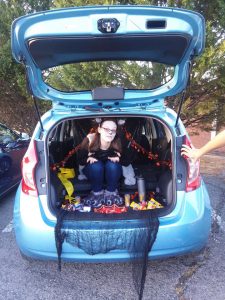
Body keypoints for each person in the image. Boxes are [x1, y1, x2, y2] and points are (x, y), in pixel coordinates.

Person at [78, 118, 123, 207]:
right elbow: (80, 160)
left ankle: (111, 194)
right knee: (96, 166)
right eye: (106, 129)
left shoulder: (117, 140)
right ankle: (96, 193)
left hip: (111, 174)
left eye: (113, 130)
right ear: (99, 129)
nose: (110, 132)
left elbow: (126, 162)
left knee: (113, 165)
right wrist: (88, 158)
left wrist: (118, 157)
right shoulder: (90, 139)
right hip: (93, 172)